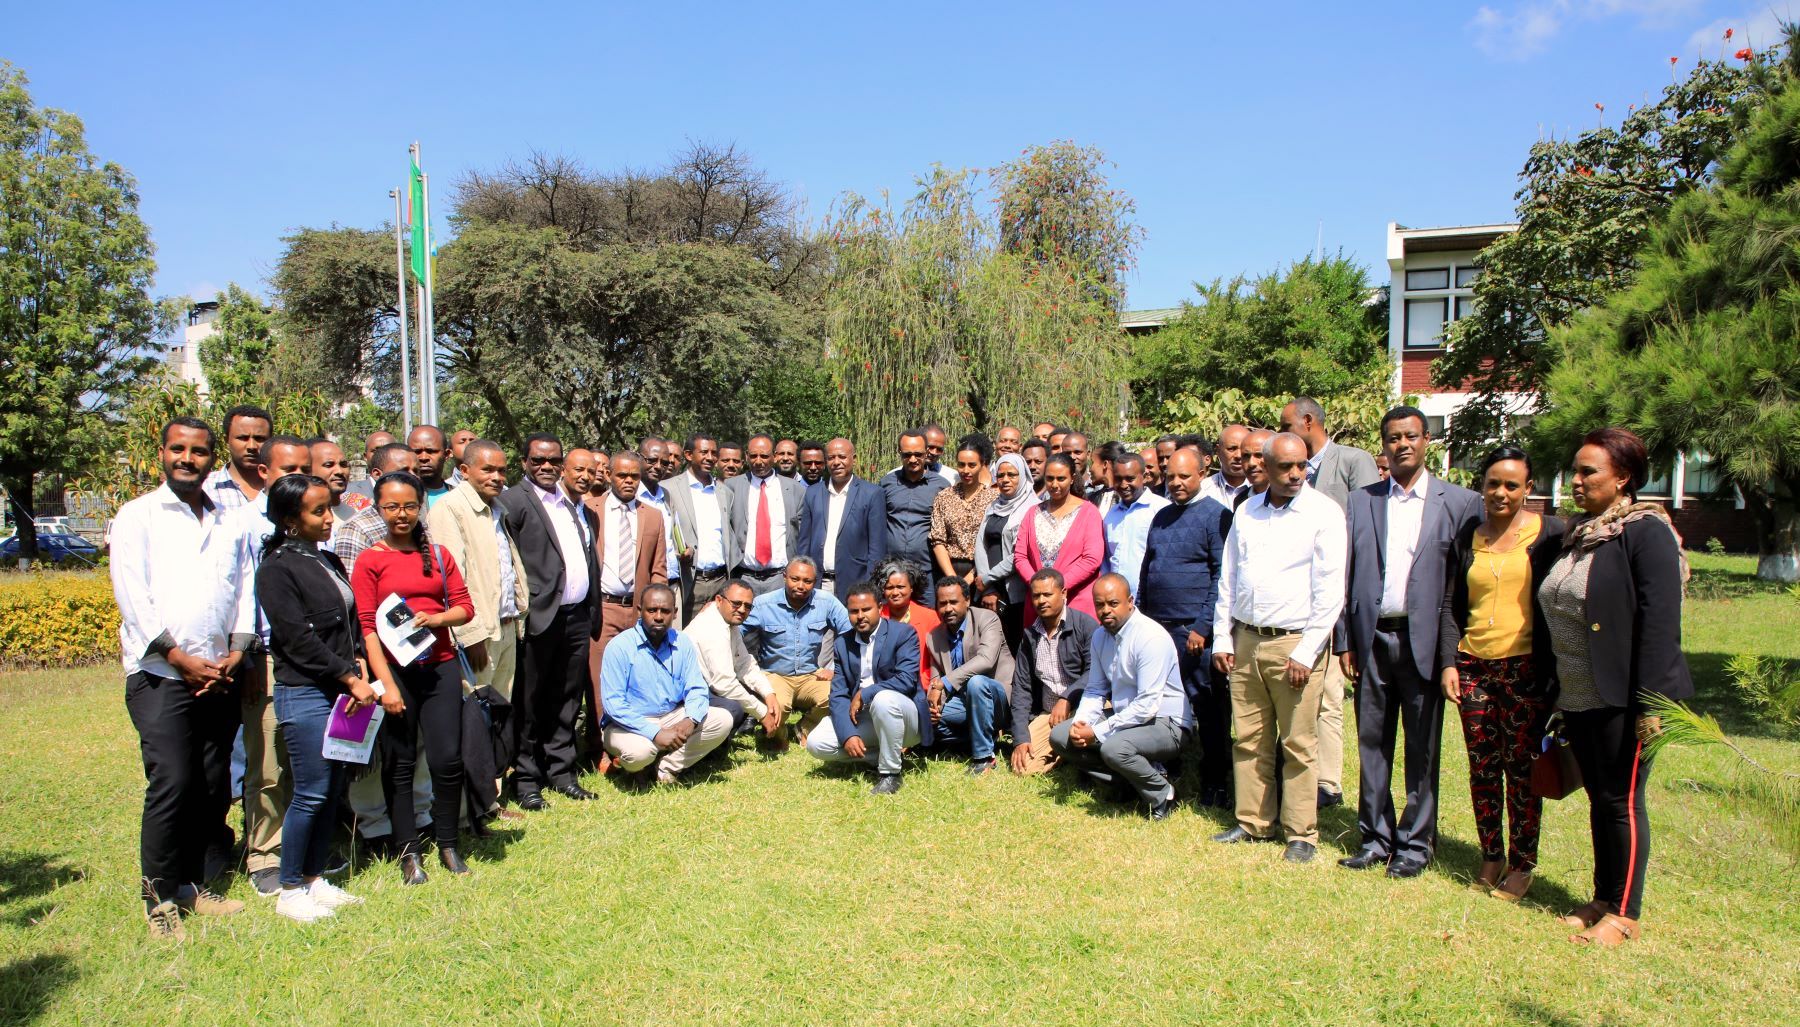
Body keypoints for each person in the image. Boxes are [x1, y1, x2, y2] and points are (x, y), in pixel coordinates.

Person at [1539, 428, 1692, 947]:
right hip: (1579, 692)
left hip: (1625, 697)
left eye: (1589, 472)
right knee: (1601, 799)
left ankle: (1625, 913)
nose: (1576, 481)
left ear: (1623, 478)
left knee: (1623, 801)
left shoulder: (1645, 532)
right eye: (1575, 471)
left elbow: (1659, 622)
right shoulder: (1580, 533)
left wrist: (1652, 700)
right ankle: (1604, 897)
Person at [112, 417, 249, 939]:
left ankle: (192, 884)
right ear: (162, 453)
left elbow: (243, 591)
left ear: (212, 458)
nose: (187, 459)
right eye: (178, 449)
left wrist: (236, 651)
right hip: (159, 675)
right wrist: (178, 657)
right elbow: (133, 599)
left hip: (217, 674)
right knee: (172, 781)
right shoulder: (138, 516)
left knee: (212, 785)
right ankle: (159, 897)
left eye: (198, 451)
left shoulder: (225, 521)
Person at [1337, 407, 1482, 879]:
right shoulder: (1361, 501)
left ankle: (1415, 845)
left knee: (1422, 748)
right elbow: (1346, 575)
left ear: (1426, 442)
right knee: (1372, 743)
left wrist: (1450, 654)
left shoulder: (1460, 503)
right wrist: (1345, 641)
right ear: (1384, 445)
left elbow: (1463, 585)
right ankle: (1375, 837)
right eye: (1394, 437)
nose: (1403, 445)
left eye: (1412, 437)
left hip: (1424, 642)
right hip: (1371, 639)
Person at [1211, 432, 1347, 864]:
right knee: (1249, 737)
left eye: (1301, 465)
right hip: (1247, 639)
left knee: (1298, 742)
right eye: (1285, 467)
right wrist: (1222, 636)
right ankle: (1253, 821)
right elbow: (1228, 580)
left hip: (1294, 643)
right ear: (1265, 468)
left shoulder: (1323, 513)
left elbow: (1330, 592)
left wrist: (1307, 652)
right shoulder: (1247, 511)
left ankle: (1301, 833)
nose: (1295, 474)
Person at [1438, 446, 1566, 901]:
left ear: (1528, 489)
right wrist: (1449, 662)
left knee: (1522, 770)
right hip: (1473, 667)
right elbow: (1452, 606)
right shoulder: (1468, 537)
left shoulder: (1550, 535)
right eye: (1493, 483)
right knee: (1483, 767)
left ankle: (1522, 863)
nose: (1501, 492)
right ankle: (1491, 854)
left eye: (1512, 485)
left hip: (1526, 670)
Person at [254, 474, 372, 922]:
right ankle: (289, 889)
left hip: (344, 692)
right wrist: (348, 675)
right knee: (310, 792)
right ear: (289, 519)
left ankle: (314, 878)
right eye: (317, 511)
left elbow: (347, 623)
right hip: (306, 693)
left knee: (334, 785)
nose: (329, 518)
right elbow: (297, 639)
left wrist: (357, 665)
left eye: (329, 508)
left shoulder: (325, 560)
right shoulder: (277, 569)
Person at [351, 472, 475, 884]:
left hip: (440, 666)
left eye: (408, 506)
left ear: (420, 505)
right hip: (397, 673)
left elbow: (464, 607)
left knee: (447, 760)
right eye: (391, 507)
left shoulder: (438, 555)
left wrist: (436, 617)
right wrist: (384, 685)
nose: (400, 514)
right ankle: (409, 853)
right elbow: (367, 628)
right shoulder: (371, 559)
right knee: (400, 763)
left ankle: (448, 844)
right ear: (379, 508)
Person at [1279, 398, 1378, 809]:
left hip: (1337, 600)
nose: (1281, 431)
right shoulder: (1282, 476)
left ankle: (1328, 783)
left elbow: (1368, 530)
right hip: (1292, 601)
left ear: (1307, 421)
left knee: (1330, 696)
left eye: (1286, 424)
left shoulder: (1353, 462)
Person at [226, 434, 313, 898]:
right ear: (264, 472)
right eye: (289, 471)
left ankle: (305, 845)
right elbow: (240, 595)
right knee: (268, 761)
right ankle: (264, 852)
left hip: (315, 659)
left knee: (307, 756)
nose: (299, 479)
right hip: (267, 657)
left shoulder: (317, 524)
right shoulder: (243, 524)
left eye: (306, 469)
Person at [427, 439, 530, 825]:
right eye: (488, 469)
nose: (497, 477)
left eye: (502, 471)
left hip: (505, 627)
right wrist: (468, 636)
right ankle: (472, 808)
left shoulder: (496, 509)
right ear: (464, 469)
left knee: (496, 720)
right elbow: (455, 578)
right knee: (474, 722)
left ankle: (490, 801)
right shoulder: (451, 510)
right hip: (478, 634)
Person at [499, 434, 600, 809]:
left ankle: (561, 771)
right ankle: (526, 779)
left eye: (553, 461)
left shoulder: (571, 504)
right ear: (524, 461)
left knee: (567, 698)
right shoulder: (513, 501)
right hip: (539, 619)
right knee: (530, 702)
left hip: (575, 617)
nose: (546, 466)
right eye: (538, 460)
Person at [1049, 574, 1193, 819]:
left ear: (1130, 602)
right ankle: (1130, 784)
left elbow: (1148, 705)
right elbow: (1095, 689)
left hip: (1166, 722)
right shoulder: (1100, 637)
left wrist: (1097, 732)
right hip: (1125, 716)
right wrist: (1082, 722)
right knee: (1062, 737)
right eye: (1100, 605)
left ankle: (1162, 793)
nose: (1105, 611)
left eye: (1113, 603)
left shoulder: (1150, 637)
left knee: (1115, 748)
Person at [1139, 448, 1233, 808]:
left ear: (1201, 474)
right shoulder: (1161, 517)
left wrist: (1202, 627)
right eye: (1171, 477)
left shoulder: (1216, 516)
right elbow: (1149, 570)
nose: (1176, 483)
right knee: (1159, 703)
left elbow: (1220, 576)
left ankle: (1215, 781)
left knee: (1208, 708)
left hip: (1194, 633)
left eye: (1185, 477)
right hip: (1158, 629)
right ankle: (1167, 768)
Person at [598, 584, 736, 785]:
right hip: (628, 724)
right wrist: (655, 733)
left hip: (672, 715)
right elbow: (613, 705)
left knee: (722, 719)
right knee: (640, 753)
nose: (659, 616)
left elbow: (696, 688)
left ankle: (665, 767)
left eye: (665, 611)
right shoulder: (619, 647)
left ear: (675, 613)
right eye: (652, 610)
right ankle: (641, 765)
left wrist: (691, 719)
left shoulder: (683, 642)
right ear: (640, 611)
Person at [804, 582, 922, 795]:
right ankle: (884, 755)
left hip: (903, 717)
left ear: (879, 607)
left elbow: (906, 680)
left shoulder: (903, 634)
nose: (860, 616)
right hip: (864, 717)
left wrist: (865, 693)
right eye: (853, 611)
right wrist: (848, 734)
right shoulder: (843, 643)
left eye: (866, 609)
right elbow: (838, 695)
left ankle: (890, 774)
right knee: (816, 743)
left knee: (883, 699)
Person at [742, 556, 854, 743]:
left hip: (810, 674)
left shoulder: (826, 602)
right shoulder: (763, 604)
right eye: (795, 579)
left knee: (837, 694)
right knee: (777, 706)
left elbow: (851, 633)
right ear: (784, 577)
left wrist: (836, 669)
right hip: (775, 674)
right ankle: (779, 734)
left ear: (815, 582)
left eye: (807, 581)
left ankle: (804, 727)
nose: (801, 585)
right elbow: (735, 631)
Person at [1008, 569, 1098, 775]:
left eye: (1047, 594)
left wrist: (1067, 698)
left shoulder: (1085, 626)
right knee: (1023, 768)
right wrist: (1020, 738)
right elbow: (1022, 688)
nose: (1041, 601)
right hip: (1049, 716)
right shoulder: (1030, 636)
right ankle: (1067, 752)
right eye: (1036, 595)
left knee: (1083, 734)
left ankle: (1073, 752)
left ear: (1064, 593)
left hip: (1085, 709)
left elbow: (1096, 672)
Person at [591, 451, 669, 684]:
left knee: (638, 677)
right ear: (608, 474)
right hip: (604, 609)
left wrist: (655, 610)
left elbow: (659, 567)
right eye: (622, 475)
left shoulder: (653, 516)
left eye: (634, 476)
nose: (629, 481)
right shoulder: (590, 510)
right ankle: (602, 722)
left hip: (638, 609)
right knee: (601, 679)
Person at [926, 578, 1013, 774]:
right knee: (924, 716)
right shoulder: (934, 636)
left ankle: (984, 758)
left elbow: (986, 660)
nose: (948, 608)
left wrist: (944, 683)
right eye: (942, 603)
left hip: (996, 699)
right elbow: (935, 678)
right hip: (963, 703)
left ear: (967, 600)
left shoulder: (988, 619)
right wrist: (933, 705)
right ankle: (975, 741)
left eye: (953, 602)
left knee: (976, 682)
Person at [1014, 454, 1104, 625]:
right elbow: (1020, 556)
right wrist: (1038, 587)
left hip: (1075, 603)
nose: (1054, 485)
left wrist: (1058, 587)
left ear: (1072, 479)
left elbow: (1092, 559)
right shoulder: (1033, 512)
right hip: (1039, 605)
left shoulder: (1088, 512)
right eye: (1050, 479)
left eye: (1061, 478)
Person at [687, 581, 780, 740]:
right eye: (736, 604)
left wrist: (768, 693)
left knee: (751, 694)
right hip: (688, 693)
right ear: (718, 600)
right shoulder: (712, 627)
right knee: (735, 708)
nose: (742, 610)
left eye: (748, 606)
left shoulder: (729, 622)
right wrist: (762, 713)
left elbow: (744, 664)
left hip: (706, 686)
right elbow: (724, 683)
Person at [664, 434, 740, 620]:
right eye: (704, 452)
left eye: (714, 453)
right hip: (690, 580)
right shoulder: (669, 488)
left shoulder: (724, 492)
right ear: (689, 455)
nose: (710, 457)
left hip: (721, 580)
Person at [798, 437, 887, 597]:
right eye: (831, 458)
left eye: (842, 457)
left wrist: (869, 587)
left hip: (856, 585)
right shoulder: (813, 493)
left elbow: (877, 549)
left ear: (854, 459)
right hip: (817, 585)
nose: (836, 462)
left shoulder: (872, 494)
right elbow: (804, 542)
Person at [726, 435, 807, 596]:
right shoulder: (731, 487)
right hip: (743, 577)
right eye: (753, 456)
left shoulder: (795, 490)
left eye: (764, 456)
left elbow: (802, 535)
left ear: (775, 457)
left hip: (780, 578)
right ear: (746, 457)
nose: (758, 461)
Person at [974, 453, 1038, 651]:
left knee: (1015, 641)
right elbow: (980, 544)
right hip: (990, 588)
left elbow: (1020, 553)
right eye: (1001, 475)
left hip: (1016, 591)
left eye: (1012, 474)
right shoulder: (994, 505)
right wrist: (987, 585)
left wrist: (989, 577)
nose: (1005, 480)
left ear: (1023, 476)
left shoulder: (1032, 508)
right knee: (992, 643)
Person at [880, 430, 950, 600]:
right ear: (899, 453)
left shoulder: (942, 486)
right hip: (892, 571)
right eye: (907, 455)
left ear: (926, 452)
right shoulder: (887, 483)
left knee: (928, 623)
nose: (912, 460)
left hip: (927, 572)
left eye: (918, 454)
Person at [331, 444, 418, 575]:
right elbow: (351, 586)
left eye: (416, 471)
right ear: (377, 474)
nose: (413, 477)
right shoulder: (357, 529)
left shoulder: (418, 522)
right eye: (404, 471)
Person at [928, 440, 999, 593]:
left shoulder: (994, 499)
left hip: (982, 571)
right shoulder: (944, 496)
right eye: (961, 465)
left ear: (982, 465)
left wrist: (970, 578)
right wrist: (953, 579)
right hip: (948, 569)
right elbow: (938, 539)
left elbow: (993, 542)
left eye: (972, 465)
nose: (966, 470)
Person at [1100, 451, 1169, 598]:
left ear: (1143, 477)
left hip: (1150, 597)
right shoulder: (1111, 515)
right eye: (1118, 479)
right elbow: (1106, 560)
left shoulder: (1161, 509)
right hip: (1118, 600)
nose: (1124, 485)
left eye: (1130, 479)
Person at [204, 405, 272, 512]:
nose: (251, 446)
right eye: (243, 438)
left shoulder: (282, 487)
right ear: (227, 440)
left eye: (259, 439)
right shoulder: (205, 488)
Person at [309, 438, 364, 524]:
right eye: (329, 465)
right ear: (308, 470)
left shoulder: (360, 512)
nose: (339, 471)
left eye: (343, 465)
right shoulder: (299, 518)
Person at [1198, 424, 1251, 508]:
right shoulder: (1203, 490)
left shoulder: (1263, 490)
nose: (1238, 455)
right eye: (1232, 449)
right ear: (1218, 451)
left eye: (1243, 449)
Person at [345, 430, 396, 505]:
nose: (381, 456)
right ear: (365, 457)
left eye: (388, 450)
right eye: (376, 451)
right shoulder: (348, 493)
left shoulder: (411, 490)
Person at [407, 425, 453, 508]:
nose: (423, 458)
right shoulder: (397, 497)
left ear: (446, 454)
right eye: (417, 452)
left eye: (431, 451)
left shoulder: (461, 497)